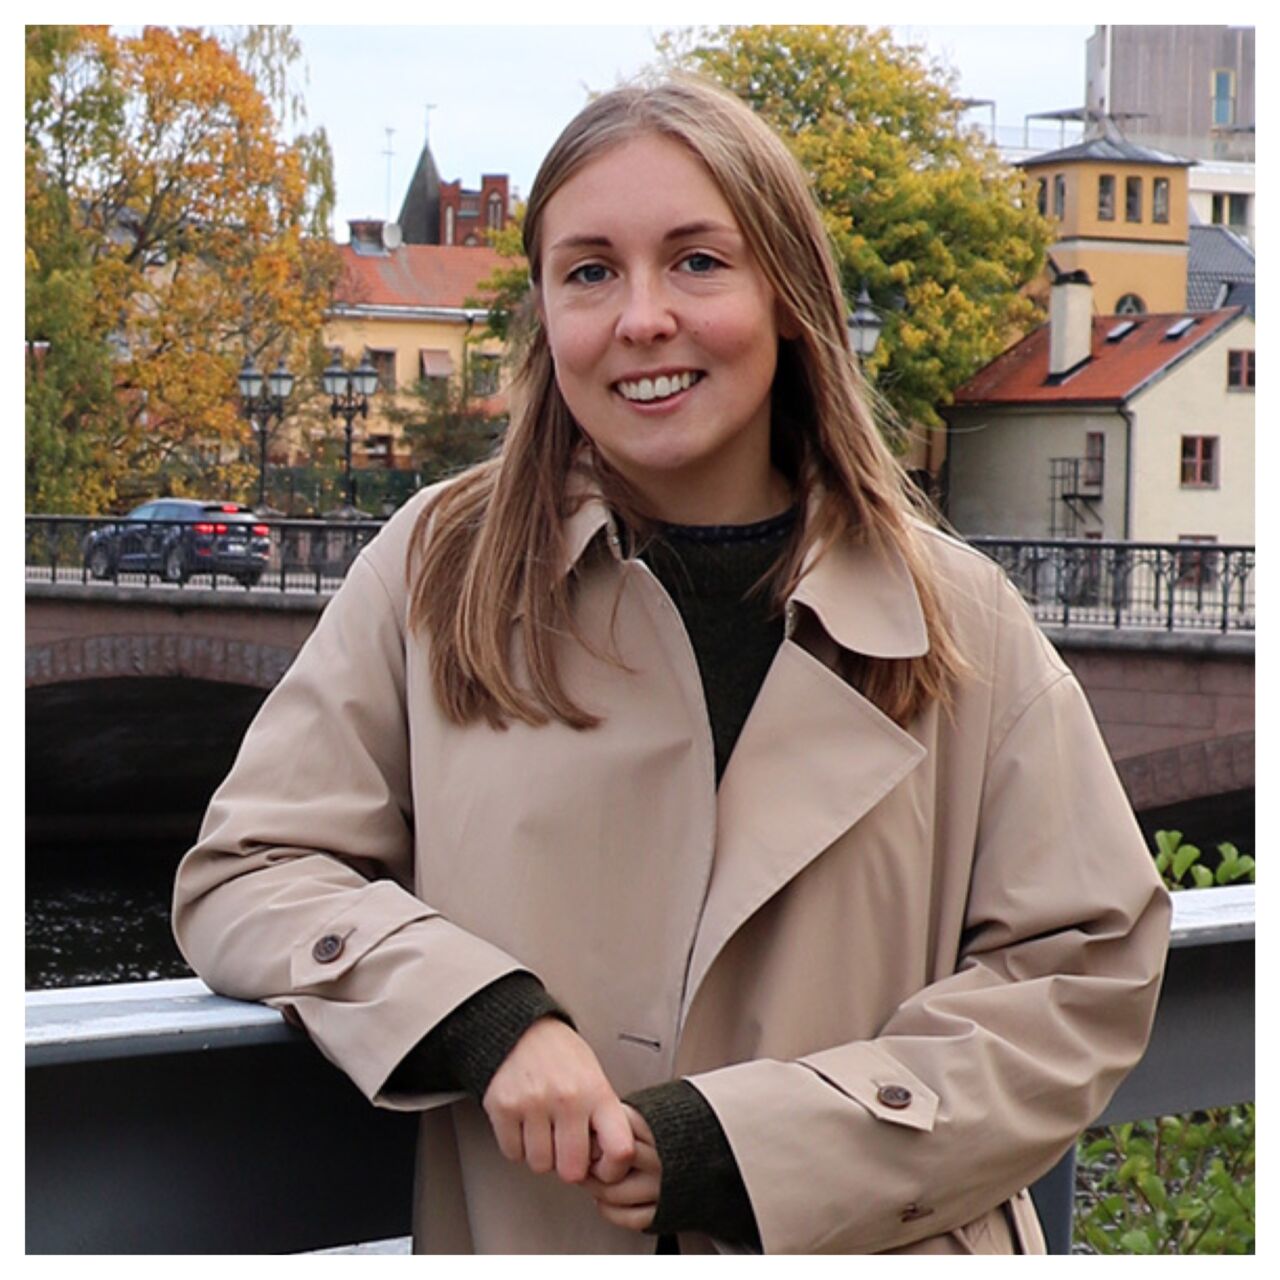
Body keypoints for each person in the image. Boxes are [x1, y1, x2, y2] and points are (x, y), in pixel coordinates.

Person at [173, 77, 1170, 1255]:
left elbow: (1081, 976)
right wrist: (476, 1013)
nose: (641, 317)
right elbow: (253, 867)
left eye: (698, 261)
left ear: (788, 295)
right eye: (589, 271)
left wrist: (751, 1148)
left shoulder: (959, 621)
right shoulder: (438, 571)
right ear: (543, 311)